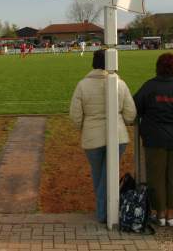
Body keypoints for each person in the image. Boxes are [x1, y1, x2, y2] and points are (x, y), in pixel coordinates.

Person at [69, 50, 136, 223]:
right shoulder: (120, 84)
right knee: (107, 176)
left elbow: (75, 116)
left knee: (100, 175)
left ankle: (103, 213)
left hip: (92, 138)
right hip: (118, 136)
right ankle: (107, 212)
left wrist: (85, 128)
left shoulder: (82, 85)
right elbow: (130, 114)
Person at [134, 53, 173, 227]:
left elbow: (135, 106)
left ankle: (160, 214)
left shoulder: (149, 87)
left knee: (156, 177)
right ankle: (171, 215)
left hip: (155, 138)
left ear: (158, 67)